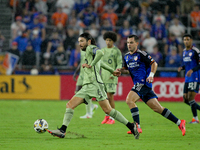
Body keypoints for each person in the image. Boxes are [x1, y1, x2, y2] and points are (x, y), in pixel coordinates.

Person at [47, 32, 139, 139]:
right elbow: (101, 62)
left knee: (107, 110)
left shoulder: (91, 48)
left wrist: (91, 65)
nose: (80, 43)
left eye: (82, 41)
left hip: (95, 84)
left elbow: (100, 53)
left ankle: (132, 126)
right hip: (88, 86)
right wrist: (112, 70)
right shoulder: (88, 51)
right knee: (71, 105)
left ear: (89, 41)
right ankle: (62, 130)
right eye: (79, 41)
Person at [119, 34, 186, 136]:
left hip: (143, 83)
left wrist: (151, 75)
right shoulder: (127, 56)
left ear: (137, 43)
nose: (129, 44)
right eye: (128, 42)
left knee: (129, 100)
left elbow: (154, 64)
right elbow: (127, 70)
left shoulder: (142, 54)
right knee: (157, 108)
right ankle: (179, 122)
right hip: (141, 85)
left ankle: (137, 126)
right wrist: (119, 71)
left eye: (131, 42)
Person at [100, 31, 122, 124]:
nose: (108, 42)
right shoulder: (103, 50)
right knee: (104, 98)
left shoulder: (116, 51)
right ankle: (107, 116)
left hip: (112, 76)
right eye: (106, 40)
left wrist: (117, 70)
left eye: (110, 40)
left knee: (110, 96)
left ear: (113, 41)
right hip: (103, 77)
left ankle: (112, 118)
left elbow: (119, 63)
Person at [178, 34, 200, 124]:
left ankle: (195, 118)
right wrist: (182, 67)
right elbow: (187, 64)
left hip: (195, 76)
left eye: (188, 39)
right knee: (185, 99)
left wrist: (192, 70)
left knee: (191, 98)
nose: (186, 41)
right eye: (184, 40)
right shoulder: (184, 51)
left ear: (191, 40)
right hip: (187, 78)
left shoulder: (195, 51)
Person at [73, 50, 98, 119]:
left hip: (87, 75)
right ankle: (92, 106)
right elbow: (81, 63)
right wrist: (76, 72)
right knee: (77, 93)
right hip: (81, 75)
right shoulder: (81, 51)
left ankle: (88, 113)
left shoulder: (91, 50)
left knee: (87, 94)